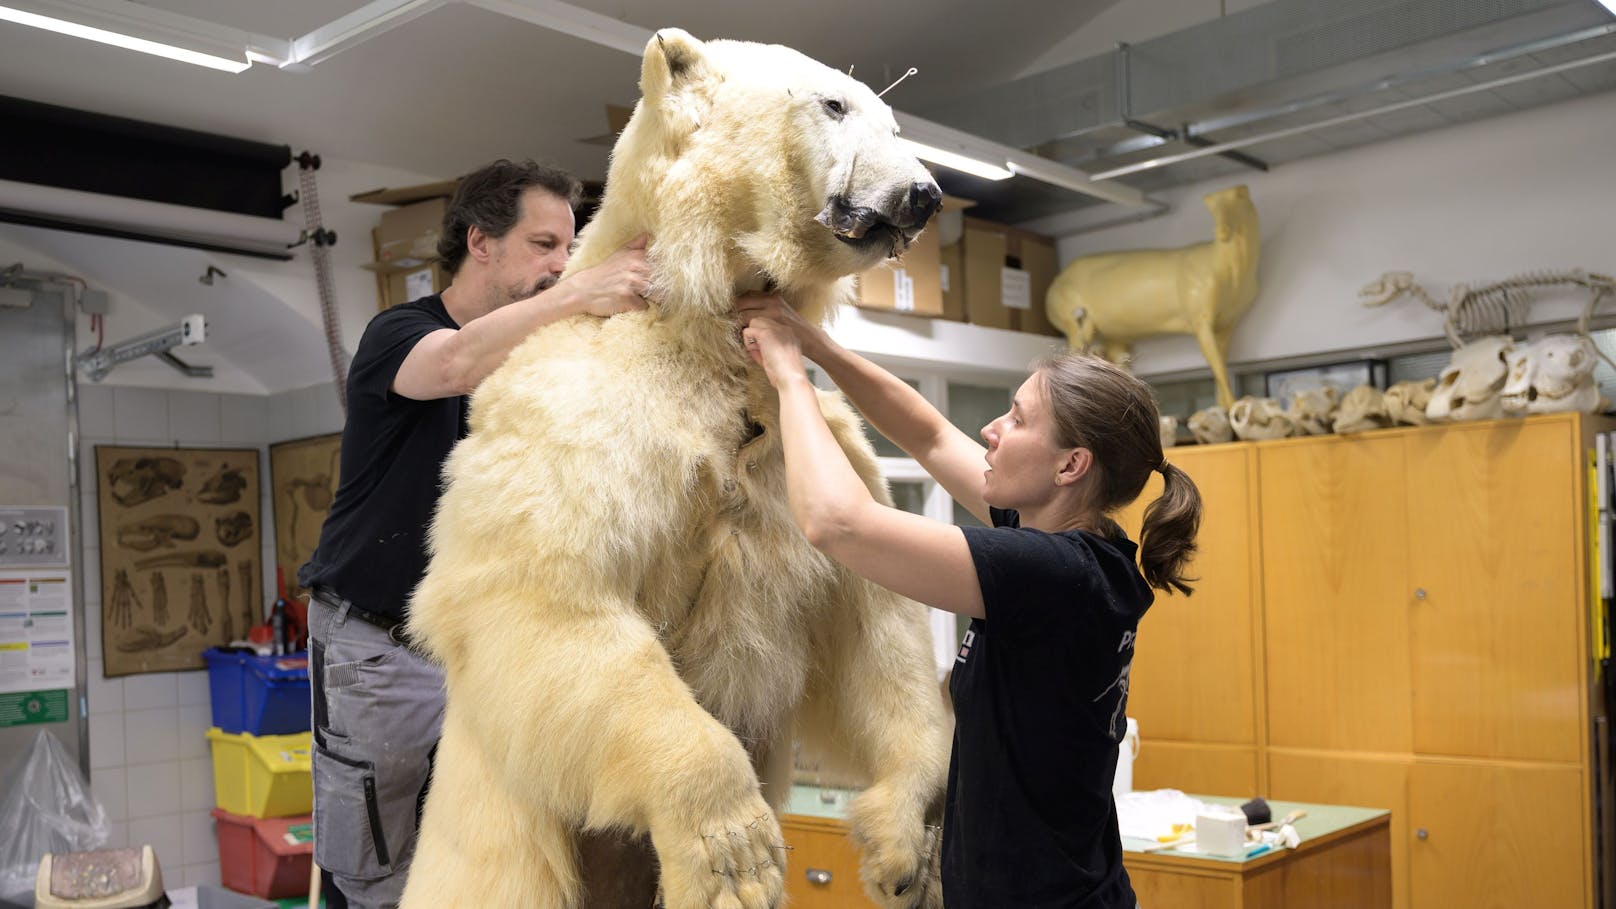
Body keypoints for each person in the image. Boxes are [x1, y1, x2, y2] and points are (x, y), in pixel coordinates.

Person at [737, 295, 1202, 908]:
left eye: (1016, 419)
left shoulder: (1050, 572)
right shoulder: (1089, 552)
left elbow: (837, 523)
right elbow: (927, 435)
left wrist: (791, 379)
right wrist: (815, 344)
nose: (991, 429)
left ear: (1071, 466)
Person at [298, 158, 652, 909]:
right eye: (543, 244)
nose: (561, 264)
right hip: (378, 649)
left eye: (569, 247)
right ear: (480, 242)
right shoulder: (401, 332)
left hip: (479, 655)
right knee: (377, 877)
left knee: (474, 864)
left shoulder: (533, 357)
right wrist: (586, 290)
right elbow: (456, 363)